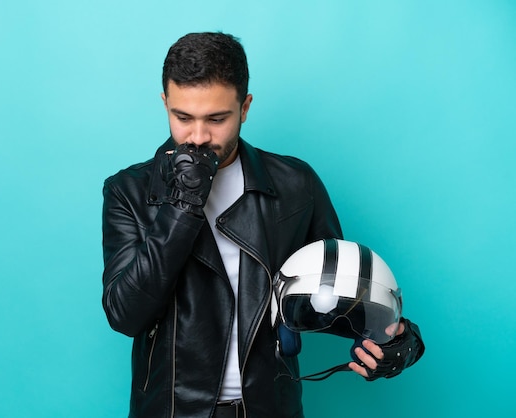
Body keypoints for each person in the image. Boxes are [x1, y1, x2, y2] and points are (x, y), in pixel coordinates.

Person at [102, 32, 424, 418]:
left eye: (217, 119)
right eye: (182, 117)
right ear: (165, 103)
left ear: (245, 107)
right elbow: (125, 314)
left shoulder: (295, 184)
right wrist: (182, 206)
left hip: (269, 407)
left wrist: (396, 338)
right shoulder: (128, 191)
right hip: (172, 410)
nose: (199, 137)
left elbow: (332, 295)